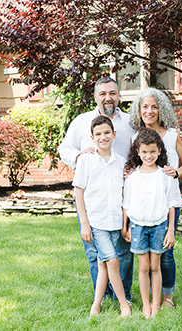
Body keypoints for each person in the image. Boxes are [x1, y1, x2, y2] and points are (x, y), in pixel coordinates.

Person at [58, 76, 136, 302]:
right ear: (95, 97)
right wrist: (78, 156)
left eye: (112, 93)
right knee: (94, 253)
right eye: (102, 94)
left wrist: (177, 137)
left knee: (124, 250)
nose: (108, 98)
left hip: (121, 198)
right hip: (93, 198)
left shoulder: (130, 123)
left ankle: (124, 296)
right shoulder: (81, 121)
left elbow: (147, 144)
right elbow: (65, 148)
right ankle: (100, 296)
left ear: (119, 95)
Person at [129, 88, 182, 308]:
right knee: (145, 258)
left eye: (154, 106)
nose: (150, 111)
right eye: (145, 106)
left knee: (165, 252)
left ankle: (167, 297)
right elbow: (133, 169)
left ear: (161, 109)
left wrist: (177, 172)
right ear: (139, 110)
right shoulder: (135, 138)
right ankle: (149, 297)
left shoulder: (174, 135)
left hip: (169, 202)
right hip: (144, 206)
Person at [73, 115, 131, 317]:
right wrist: (85, 223)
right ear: (92, 137)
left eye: (107, 132)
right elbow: (79, 192)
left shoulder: (121, 162)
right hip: (96, 221)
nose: (103, 137)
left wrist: (124, 226)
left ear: (114, 135)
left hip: (114, 222)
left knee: (103, 263)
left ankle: (96, 305)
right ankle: (124, 304)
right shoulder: (85, 161)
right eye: (98, 134)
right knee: (113, 261)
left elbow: (125, 197)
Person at [121, 128, 179, 318]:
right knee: (143, 267)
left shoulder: (165, 175)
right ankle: (146, 305)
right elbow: (126, 204)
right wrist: (125, 227)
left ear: (159, 151)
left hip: (159, 225)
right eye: (144, 151)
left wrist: (171, 230)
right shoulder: (132, 177)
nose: (148, 155)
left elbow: (171, 204)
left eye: (153, 151)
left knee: (156, 266)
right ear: (137, 151)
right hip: (137, 226)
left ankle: (156, 304)